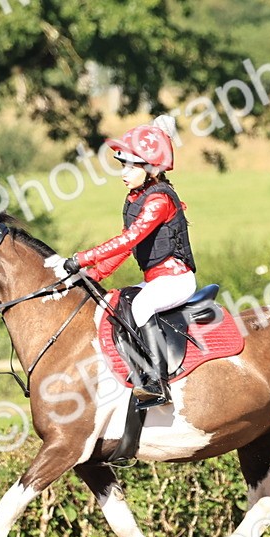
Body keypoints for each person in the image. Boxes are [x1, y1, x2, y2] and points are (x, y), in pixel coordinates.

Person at [44, 115, 197, 406]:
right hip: (155, 279)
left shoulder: (159, 200)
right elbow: (127, 249)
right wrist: (92, 275)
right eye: (122, 164)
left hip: (177, 280)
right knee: (116, 304)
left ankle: (156, 383)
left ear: (151, 167)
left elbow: (128, 240)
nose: (123, 172)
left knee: (141, 305)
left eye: (131, 165)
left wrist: (82, 258)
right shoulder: (135, 198)